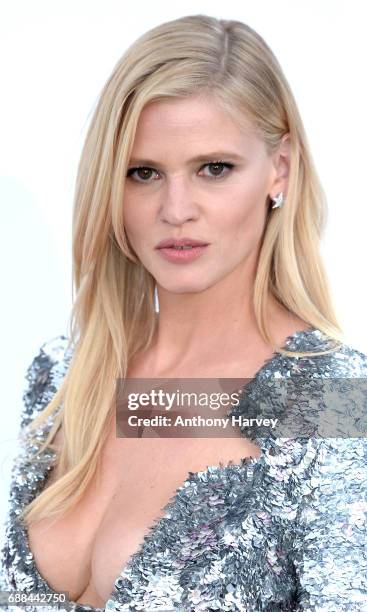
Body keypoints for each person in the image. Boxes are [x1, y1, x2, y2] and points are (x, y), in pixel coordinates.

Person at [1, 13, 366, 612]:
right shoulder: (63, 375)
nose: (176, 209)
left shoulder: (328, 399)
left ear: (280, 168)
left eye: (213, 169)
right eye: (143, 173)